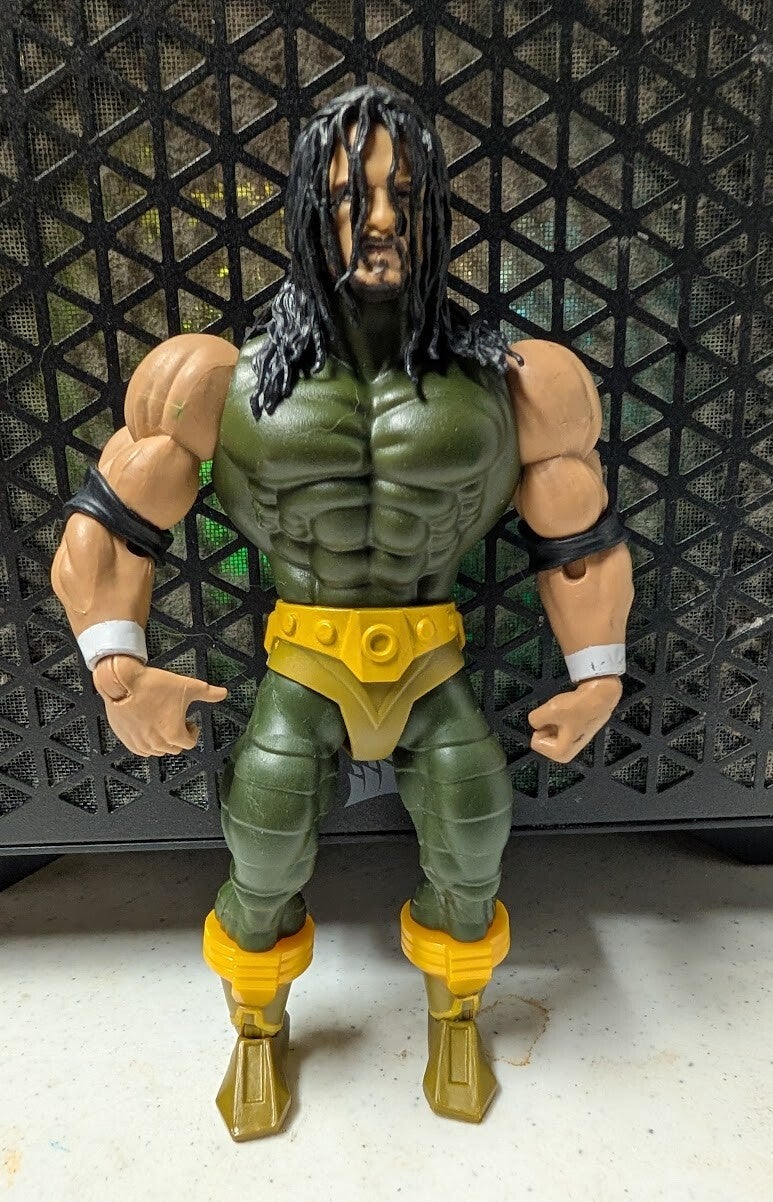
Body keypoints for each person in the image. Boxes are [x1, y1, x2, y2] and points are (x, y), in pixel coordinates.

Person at [51, 86, 633, 1140]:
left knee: (475, 835)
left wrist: (597, 676)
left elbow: (578, 539)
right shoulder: (212, 381)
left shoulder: (518, 384)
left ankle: (456, 1014)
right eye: (348, 197)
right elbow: (112, 527)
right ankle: (258, 1023)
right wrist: (118, 667)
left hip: (433, 660)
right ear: (307, 213)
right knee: (263, 847)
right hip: (304, 662)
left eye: (402, 195)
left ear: (436, 211)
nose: (378, 220)